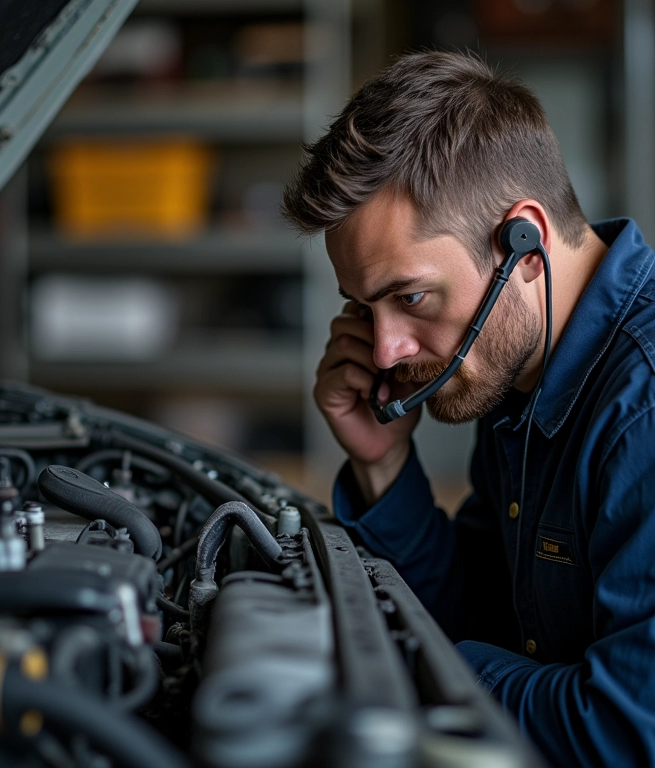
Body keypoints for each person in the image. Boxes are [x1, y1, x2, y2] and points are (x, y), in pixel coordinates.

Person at [282, 51, 655, 767]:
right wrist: (383, 464)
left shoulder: (642, 410)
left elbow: (626, 734)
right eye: (363, 308)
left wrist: (416, 667)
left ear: (524, 244)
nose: (385, 350)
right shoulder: (521, 364)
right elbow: (489, 612)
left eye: (411, 296)